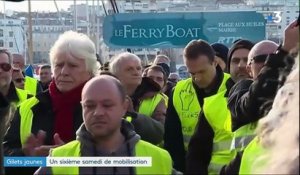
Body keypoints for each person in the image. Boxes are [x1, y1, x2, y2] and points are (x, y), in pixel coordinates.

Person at [3, 31, 100, 175]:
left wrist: (69, 156)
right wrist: (29, 157)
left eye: (72, 65)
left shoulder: (103, 107)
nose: (64, 72)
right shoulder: (28, 107)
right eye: (59, 65)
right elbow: (6, 159)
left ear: (90, 71)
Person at [34, 75, 174, 175]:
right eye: (90, 106)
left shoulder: (159, 160)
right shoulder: (58, 161)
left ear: (125, 106)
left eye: (107, 105)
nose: (98, 113)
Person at [221, 20, 299, 174]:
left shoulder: (291, 92)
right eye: (260, 58)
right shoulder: (241, 89)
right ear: (249, 68)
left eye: (269, 58)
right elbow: (254, 103)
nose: (267, 62)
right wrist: (282, 51)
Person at [164, 39, 235, 174]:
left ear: (214, 62)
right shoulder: (178, 92)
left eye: (202, 72)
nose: (197, 78)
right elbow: (172, 140)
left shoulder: (232, 87)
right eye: (192, 73)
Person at [109, 52, 164, 145]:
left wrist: (133, 115)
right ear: (115, 74)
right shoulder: (102, 95)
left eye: (138, 68)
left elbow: (161, 132)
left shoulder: (156, 98)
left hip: (145, 155)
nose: (136, 72)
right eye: (129, 69)